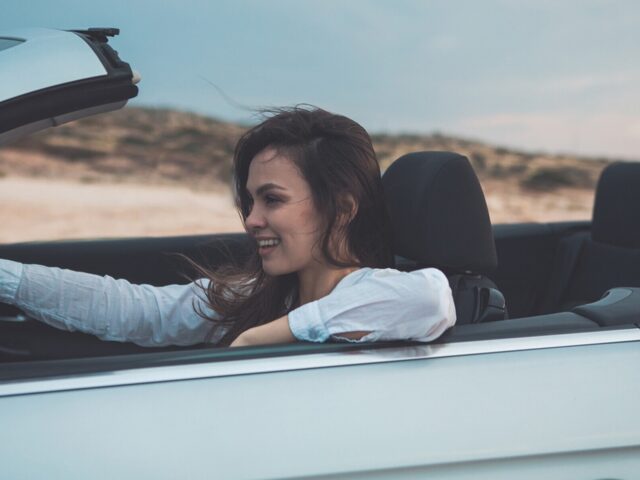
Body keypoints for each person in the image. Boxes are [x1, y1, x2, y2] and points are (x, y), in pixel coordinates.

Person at [0, 107, 456, 348]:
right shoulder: (253, 297)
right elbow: (141, 311)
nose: (253, 220)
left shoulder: (377, 292)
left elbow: (429, 298)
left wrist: (265, 337)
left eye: (272, 200)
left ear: (341, 209)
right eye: (250, 200)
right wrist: (9, 280)